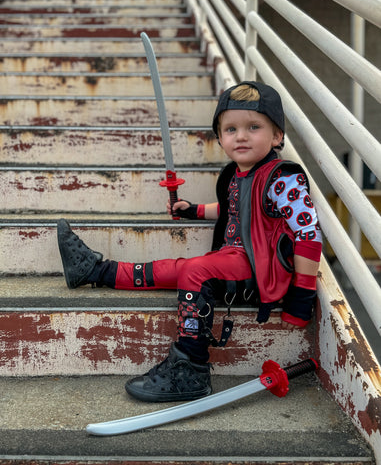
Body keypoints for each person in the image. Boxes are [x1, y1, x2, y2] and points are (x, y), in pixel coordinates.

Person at [57, 81, 322, 403]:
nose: (241, 136)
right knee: (173, 268)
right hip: (232, 257)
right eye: (231, 129)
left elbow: (307, 233)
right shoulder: (240, 174)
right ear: (220, 137)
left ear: (277, 136)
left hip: (261, 269)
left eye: (254, 127)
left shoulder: (283, 178)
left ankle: (191, 366)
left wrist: (302, 295)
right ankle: (95, 271)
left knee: (195, 271)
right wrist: (194, 211)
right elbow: (234, 211)